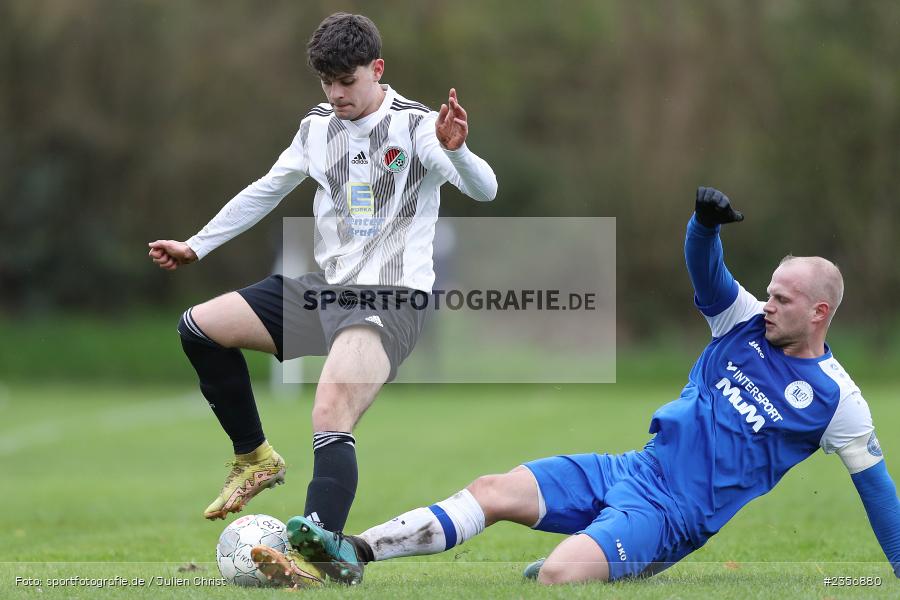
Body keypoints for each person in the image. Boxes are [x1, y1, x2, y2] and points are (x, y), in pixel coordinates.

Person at [250, 187, 900, 587]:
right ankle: (352, 553)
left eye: (784, 300)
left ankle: (595, 565)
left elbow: (877, 491)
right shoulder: (743, 323)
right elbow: (707, 275)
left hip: (669, 519)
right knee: (491, 490)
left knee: (560, 574)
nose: (769, 305)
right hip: (629, 470)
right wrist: (703, 226)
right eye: (771, 292)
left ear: (820, 314)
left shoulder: (835, 399)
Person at [146, 12, 497, 525]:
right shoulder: (316, 127)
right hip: (328, 292)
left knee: (329, 413)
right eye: (327, 82)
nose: (336, 93)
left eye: (346, 81)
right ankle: (255, 458)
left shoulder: (418, 126)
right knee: (199, 328)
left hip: (390, 299)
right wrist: (196, 245)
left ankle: (318, 549)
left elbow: (485, 189)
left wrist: (457, 150)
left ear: (377, 69)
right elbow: (267, 188)